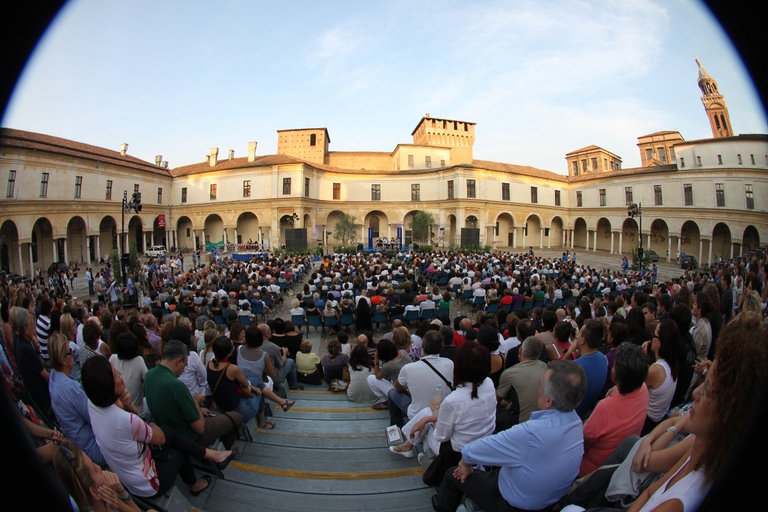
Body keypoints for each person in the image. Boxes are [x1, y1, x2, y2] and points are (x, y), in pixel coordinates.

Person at [433, 360, 587, 512]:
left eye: (540, 386)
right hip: (549, 499)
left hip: (512, 503)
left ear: (548, 400)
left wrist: (465, 464)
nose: (538, 390)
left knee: (452, 474)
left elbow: (472, 450)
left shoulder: (530, 432)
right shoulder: (576, 424)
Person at [82, 355, 233, 499]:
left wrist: (128, 406)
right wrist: (151, 423)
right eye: (115, 375)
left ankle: (210, 455)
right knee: (177, 443)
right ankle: (195, 482)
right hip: (147, 484)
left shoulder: (93, 404)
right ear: (108, 387)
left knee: (169, 432)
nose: (120, 374)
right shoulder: (123, 420)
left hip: (126, 474)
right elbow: (158, 437)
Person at [390, 341, 496, 485]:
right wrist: (430, 417)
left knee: (427, 415)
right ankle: (410, 444)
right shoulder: (489, 383)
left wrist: (430, 417)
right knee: (426, 414)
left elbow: (441, 435)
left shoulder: (454, 400)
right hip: (483, 443)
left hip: (457, 451)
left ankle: (413, 447)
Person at [579, 342, 649, 477]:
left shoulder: (605, 407)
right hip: (617, 462)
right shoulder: (643, 389)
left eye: (615, 366)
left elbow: (584, 442)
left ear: (618, 374)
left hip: (590, 469)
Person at [206, 336, 294, 430]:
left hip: (222, 407)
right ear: (229, 352)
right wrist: (253, 388)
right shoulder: (231, 369)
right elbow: (245, 385)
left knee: (256, 381)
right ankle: (262, 423)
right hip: (238, 411)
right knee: (260, 392)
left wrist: (252, 387)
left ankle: (282, 402)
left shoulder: (210, 364)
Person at [47, 333, 106, 466]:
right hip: (90, 447)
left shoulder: (54, 377)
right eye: (70, 352)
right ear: (63, 360)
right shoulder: (70, 387)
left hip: (77, 440)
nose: (73, 354)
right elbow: (93, 416)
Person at [51, 439, 141, 512]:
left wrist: (120, 493)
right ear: (94, 492)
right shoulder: (112, 501)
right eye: (95, 470)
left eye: (94, 463)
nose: (99, 467)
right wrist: (120, 499)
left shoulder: (78, 497)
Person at [389, 330, 453, 428]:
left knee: (392, 392)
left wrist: (408, 392)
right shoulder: (450, 364)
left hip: (417, 414)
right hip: (440, 412)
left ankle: (397, 426)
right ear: (442, 346)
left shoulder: (408, 368)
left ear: (422, 345)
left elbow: (397, 387)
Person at [495, 336, 548, 430]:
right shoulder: (544, 367)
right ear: (539, 355)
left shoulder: (509, 373)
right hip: (542, 421)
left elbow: (495, 401)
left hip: (520, 425)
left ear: (520, 350)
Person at [642, 320, 680, 435]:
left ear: (660, 342)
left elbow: (633, 385)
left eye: (654, 335)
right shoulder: (672, 364)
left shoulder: (656, 370)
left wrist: (643, 358)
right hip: (659, 417)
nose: (651, 338)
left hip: (647, 422)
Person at [108, 332, 149, 419]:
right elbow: (148, 382)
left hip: (118, 411)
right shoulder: (139, 361)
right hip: (138, 414)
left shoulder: (112, 358)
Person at [366, 338, 411, 410]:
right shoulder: (403, 352)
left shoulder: (389, 366)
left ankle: (385, 401)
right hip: (411, 387)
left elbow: (378, 376)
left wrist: (376, 361)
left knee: (370, 378)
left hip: (402, 391)